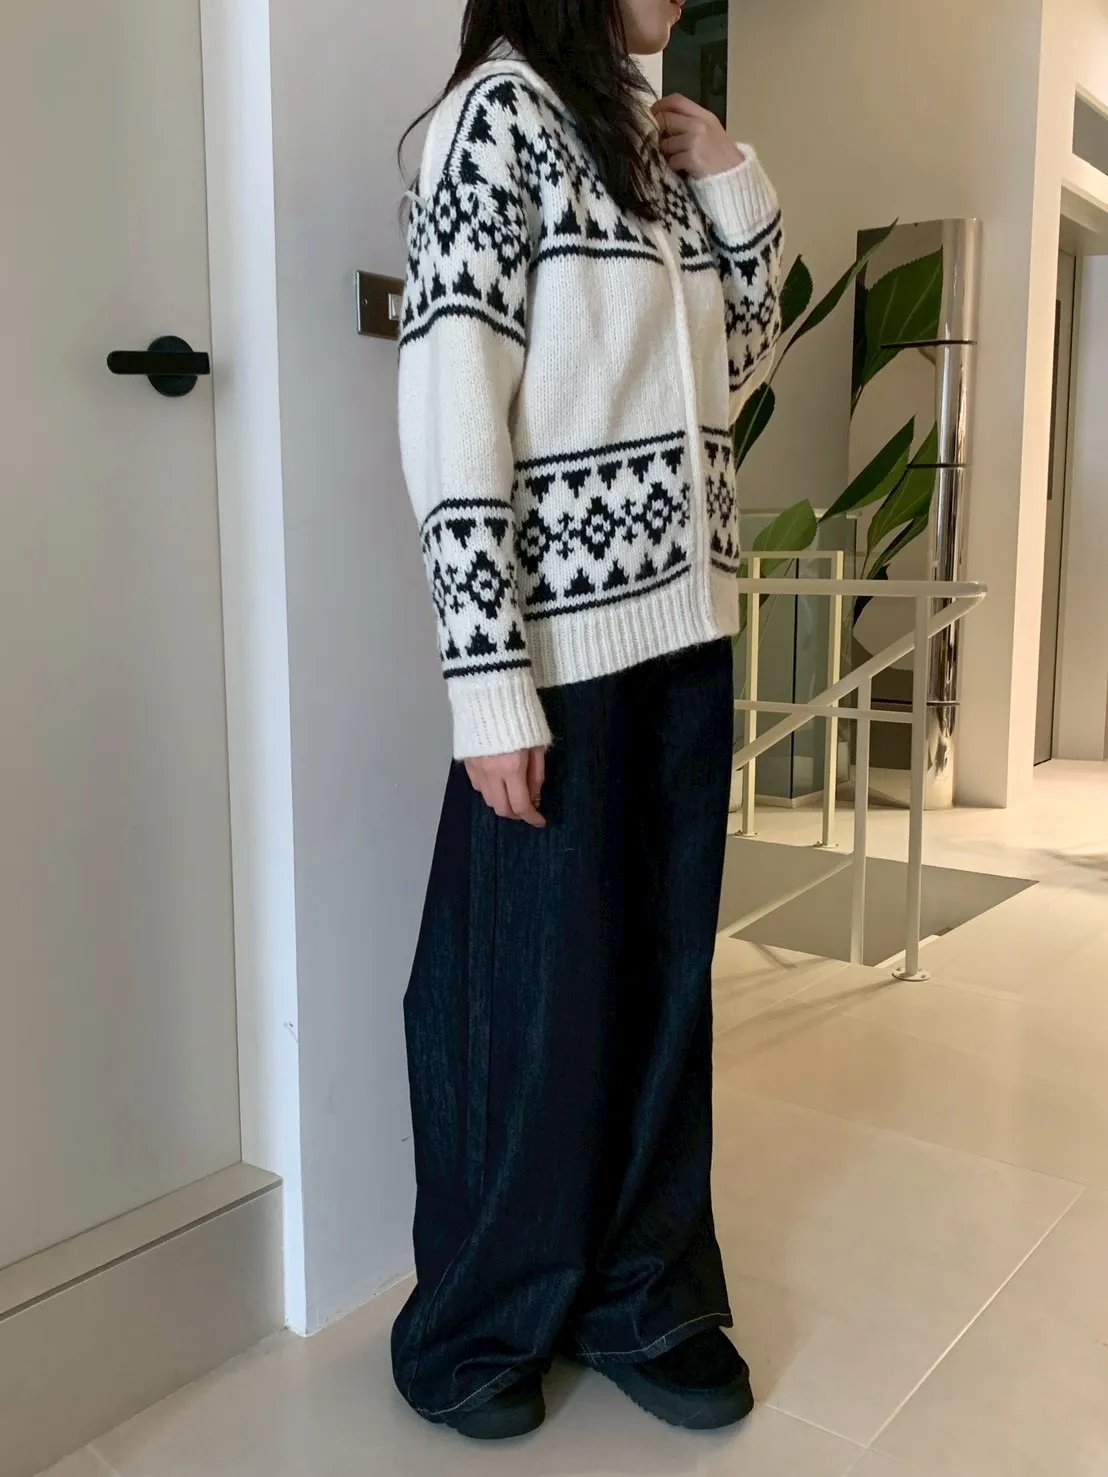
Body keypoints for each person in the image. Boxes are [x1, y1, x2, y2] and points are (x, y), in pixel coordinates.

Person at [393, 0, 783, 1442]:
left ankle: (643, 1293)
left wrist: (731, 175)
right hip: (561, 652)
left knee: (662, 984)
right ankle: (480, 1321)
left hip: (687, 632)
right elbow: (450, 403)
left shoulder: (647, 138)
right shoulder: (497, 117)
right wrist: (487, 681)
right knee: (526, 1001)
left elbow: (740, 361)